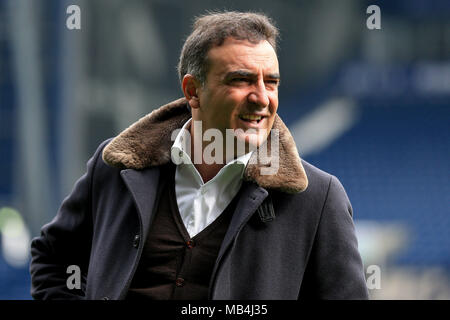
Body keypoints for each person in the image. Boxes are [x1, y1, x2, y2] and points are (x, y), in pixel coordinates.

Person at [30, 11, 369, 300]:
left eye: (272, 82)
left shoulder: (317, 198)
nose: (263, 98)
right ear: (193, 91)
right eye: (242, 80)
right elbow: (52, 259)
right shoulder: (115, 166)